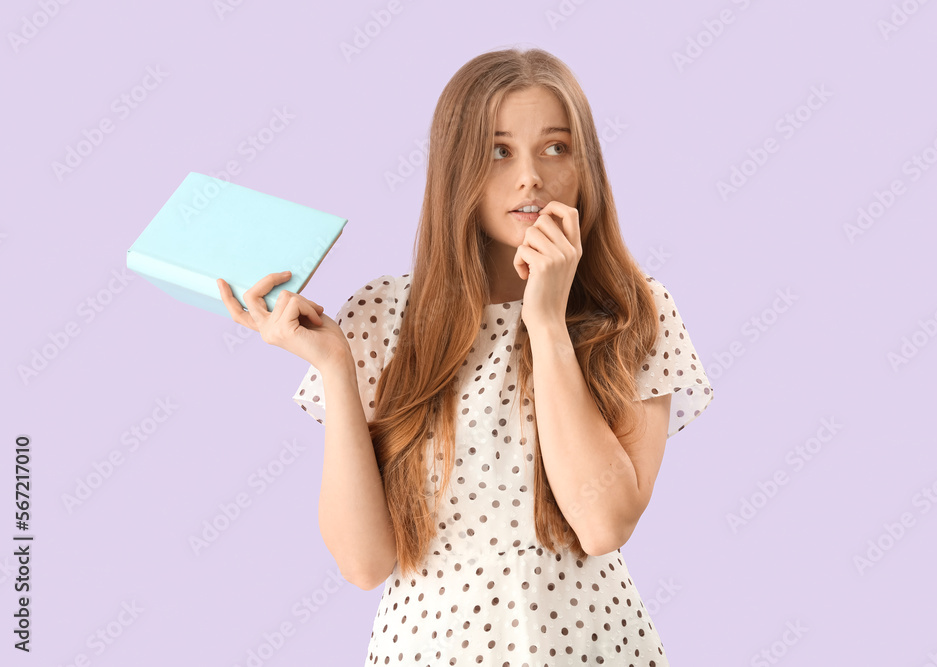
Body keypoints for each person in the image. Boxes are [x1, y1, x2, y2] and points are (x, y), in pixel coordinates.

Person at [218, 46, 713, 667]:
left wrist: (546, 322)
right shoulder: (382, 315)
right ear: (458, 169)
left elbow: (603, 525)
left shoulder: (635, 312)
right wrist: (337, 370)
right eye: (498, 151)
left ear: (585, 165)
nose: (530, 176)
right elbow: (363, 563)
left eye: (556, 147)